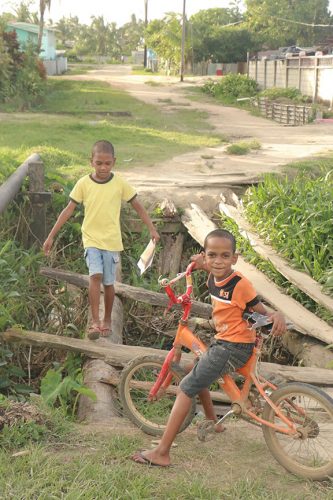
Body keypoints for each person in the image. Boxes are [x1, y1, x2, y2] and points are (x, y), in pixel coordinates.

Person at [132, 228, 286, 467]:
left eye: (225, 256)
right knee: (197, 363)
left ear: (235, 258)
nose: (218, 261)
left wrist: (276, 314)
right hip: (226, 340)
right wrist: (201, 265)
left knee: (186, 387)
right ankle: (215, 422)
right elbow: (213, 269)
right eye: (212, 255)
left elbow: (260, 311)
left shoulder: (239, 284)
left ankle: (162, 452)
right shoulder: (213, 275)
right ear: (204, 255)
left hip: (232, 346)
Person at [43, 140, 160, 340]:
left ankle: (107, 320)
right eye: (99, 163)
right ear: (91, 162)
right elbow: (68, 209)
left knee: (108, 283)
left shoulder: (119, 183)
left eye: (107, 163)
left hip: (112, 241)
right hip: (91, 239)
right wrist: (50, 236)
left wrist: (151, 228)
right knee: (95, 276)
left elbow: (137, 206)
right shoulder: (83, 184)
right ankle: (95, 322)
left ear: (114, 162)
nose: (103, 167)